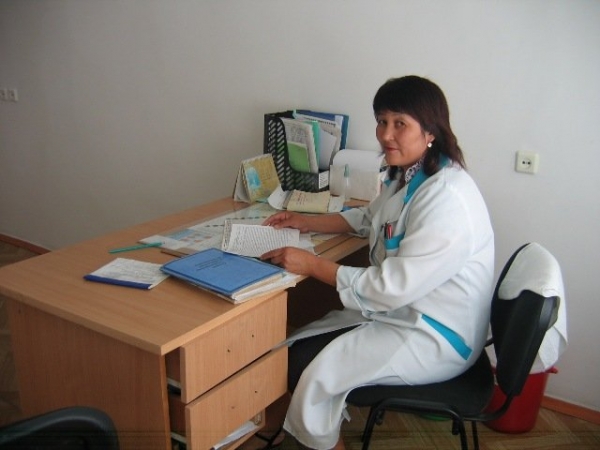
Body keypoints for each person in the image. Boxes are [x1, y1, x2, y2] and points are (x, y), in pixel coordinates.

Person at [260, 75, 494, 450]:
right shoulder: (411, 175)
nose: (386, 134)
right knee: (296, 345)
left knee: (309, 366)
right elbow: (371, 219)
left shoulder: (447, 198)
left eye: (400, 123)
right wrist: (307, 221)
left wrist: (311, 265)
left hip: (434, 335)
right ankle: (296, 429)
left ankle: (324, 442)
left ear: (430, 131)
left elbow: (389, 287)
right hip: (406, 313)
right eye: (382, 121)